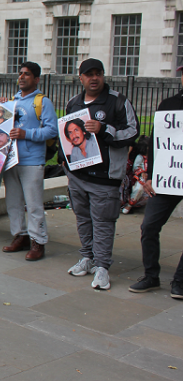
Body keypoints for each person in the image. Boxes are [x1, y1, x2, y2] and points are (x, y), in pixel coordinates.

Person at [64, 58, 139, 290]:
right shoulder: (73, 103)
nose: (94, 78)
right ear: (81, 78)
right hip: (78, 175)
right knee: (83, 219)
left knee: (103, 222)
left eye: (98, 73)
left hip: (105, 177)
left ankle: (103, 266)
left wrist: (105, 129)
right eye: (89, 74)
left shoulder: (117, 101)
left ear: (103, 76)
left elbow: (133, 132)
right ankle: (87, 257)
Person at [129, 66, 183, 298]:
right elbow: (156, 143)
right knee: (149, 226)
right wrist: (150, 176)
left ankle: (180, 280)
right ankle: (151, 275)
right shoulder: (168, 105)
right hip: (170, 178)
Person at [0, 62, 58, 261]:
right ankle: (20, 235)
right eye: (20, 74)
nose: (22, 77)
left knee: (33, 205)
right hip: (11, 159)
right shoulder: (11, 102)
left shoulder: (43, 102)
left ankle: (38, 241)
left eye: (27, 74)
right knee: (13, 202)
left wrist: (26, 134)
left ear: (36, 79)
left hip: (32, 160)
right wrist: (0, 108)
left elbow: (52, 130)